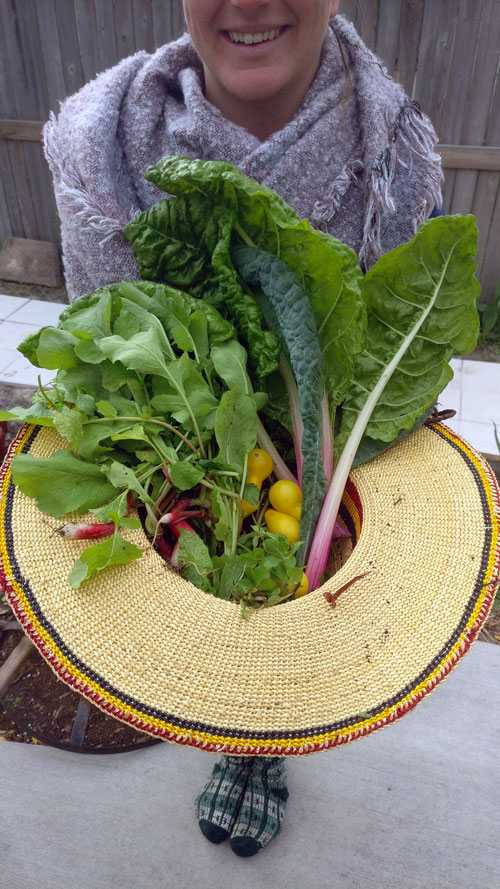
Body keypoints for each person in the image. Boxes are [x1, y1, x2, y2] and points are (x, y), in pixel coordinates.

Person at [44, 0, 443, 857]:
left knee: (296, 640)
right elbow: (110, 359)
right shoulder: (102, 147)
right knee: (223, 644)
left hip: (323, 500)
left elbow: (382, 385)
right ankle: (240, 735)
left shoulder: (393, 158)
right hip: (205, 489)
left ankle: (268, 736)